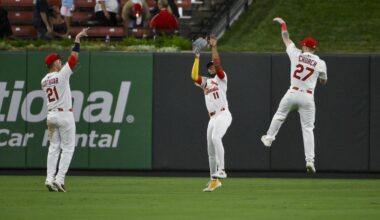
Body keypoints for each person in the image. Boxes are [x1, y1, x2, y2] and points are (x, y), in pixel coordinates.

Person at [261, 17, 328, 174]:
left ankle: (269, 138)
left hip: (293, 92)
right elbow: (324, 81)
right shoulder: (320, 63)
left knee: (279, 115)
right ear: (314, 49)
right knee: (308, 129)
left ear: (304, 46)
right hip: (308, 97)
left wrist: (283, 23)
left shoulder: (296, 53)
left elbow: (285, 37)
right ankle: (310, 161)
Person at [42, 27, 89, 192]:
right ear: (54, 63)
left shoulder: (44, 80)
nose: (60, 61)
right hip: (64, 115)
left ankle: (49, 179)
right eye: (58, 60)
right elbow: (74, 58)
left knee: (53, 147)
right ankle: (59, 179)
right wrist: (77, 40)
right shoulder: (61, 74)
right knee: (68, 148)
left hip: (51, 116)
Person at [191, 35, 232, 192]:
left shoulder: (222, 79)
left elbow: (218, 63)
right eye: (209, 67)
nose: (211, 68)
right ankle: (214, 181)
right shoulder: (206, 82)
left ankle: (221, 169)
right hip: (212, 118)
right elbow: (194, 76)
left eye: (213, 67)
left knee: (216, 138)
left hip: (223, 114)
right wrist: (196, 56)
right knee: (210, 151)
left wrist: (214, 47)